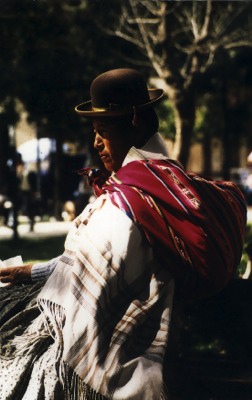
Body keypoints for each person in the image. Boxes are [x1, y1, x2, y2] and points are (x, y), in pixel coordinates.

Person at [0, 68, 247, 400]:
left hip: (111, 358)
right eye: (94, 131)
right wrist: (32, 270)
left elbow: (81, 286)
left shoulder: (126, 203)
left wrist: (35, 273)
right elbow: (86, 267)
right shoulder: (167, 181)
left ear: (133, 122)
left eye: (103, 131)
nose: (96, 143)